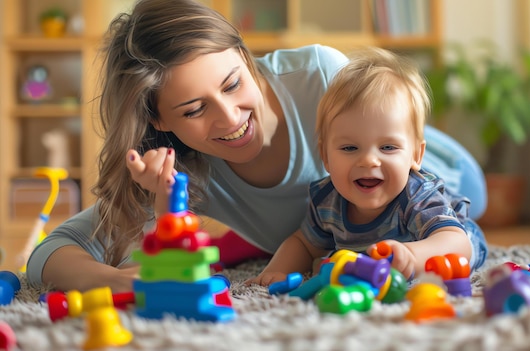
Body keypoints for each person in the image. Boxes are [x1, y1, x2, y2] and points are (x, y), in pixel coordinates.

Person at [26, 0, 486, 293]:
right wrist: (112, 280)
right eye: (192, 110)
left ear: (246, 57)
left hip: (437, 175)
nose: (230, 119)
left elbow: (394, 137)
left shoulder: (321, 77)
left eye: (232, 83)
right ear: (158, 120)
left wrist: (395, 157)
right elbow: (52, 251)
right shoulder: (174, 173)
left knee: (463, 191)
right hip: (340, 230)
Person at [249, 48, 488, 286]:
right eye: (350, 148)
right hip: (381, 257)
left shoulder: (416, 196)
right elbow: (303, 243)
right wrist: (277, 270)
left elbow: (457, 242)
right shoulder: (326, 201)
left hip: (452, 232)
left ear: (416, 155)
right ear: (325, 156)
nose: (368, 161)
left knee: (463, 256)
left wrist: (413, 256)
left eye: (387, 148)